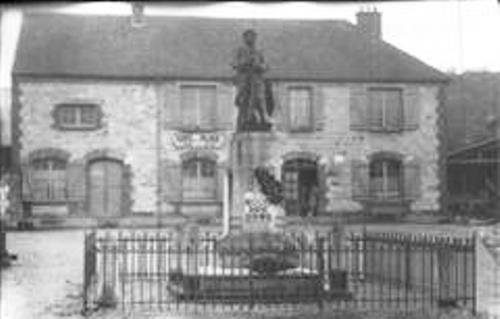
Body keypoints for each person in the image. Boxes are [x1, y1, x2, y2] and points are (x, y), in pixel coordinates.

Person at [231, 29, 272, 130]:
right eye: (248, 36)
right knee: (244, 100)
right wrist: (245, 62)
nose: (250, 39)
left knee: (260, 98)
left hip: (256, 79)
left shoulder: (259, 51)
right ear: (244, 38)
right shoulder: (240, 50)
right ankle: (244, 119)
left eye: (252, 36)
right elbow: (234, 64)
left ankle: (264, 117)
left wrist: (259, 66)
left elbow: (266, 65)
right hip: (244, 79)